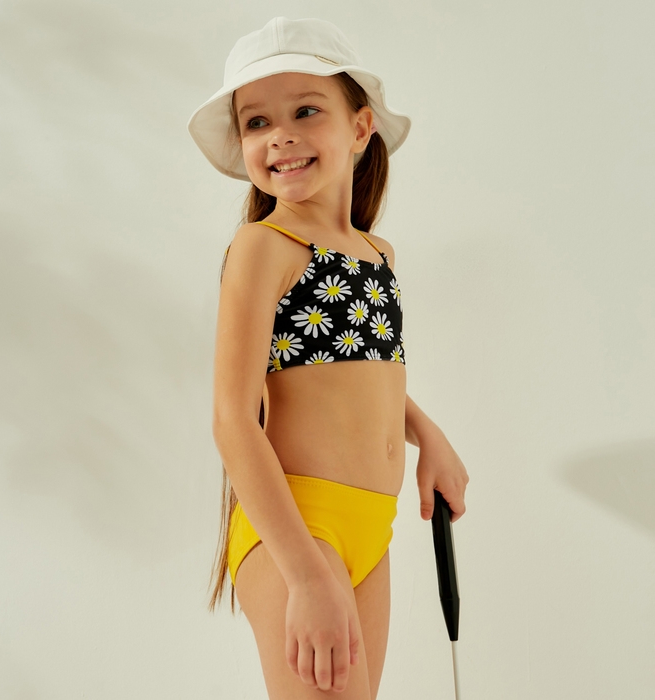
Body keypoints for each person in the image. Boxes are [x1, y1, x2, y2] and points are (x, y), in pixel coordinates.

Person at [187, 16, 469, 699]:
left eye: (305, 111)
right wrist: (307, 574)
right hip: (298, 527)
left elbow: (356, 373)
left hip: (372, 528)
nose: (279, 135)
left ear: (361, 127)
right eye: (257, 122)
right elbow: (232, 419)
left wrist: (427, 435)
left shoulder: (377, 255)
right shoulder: (264, 246)